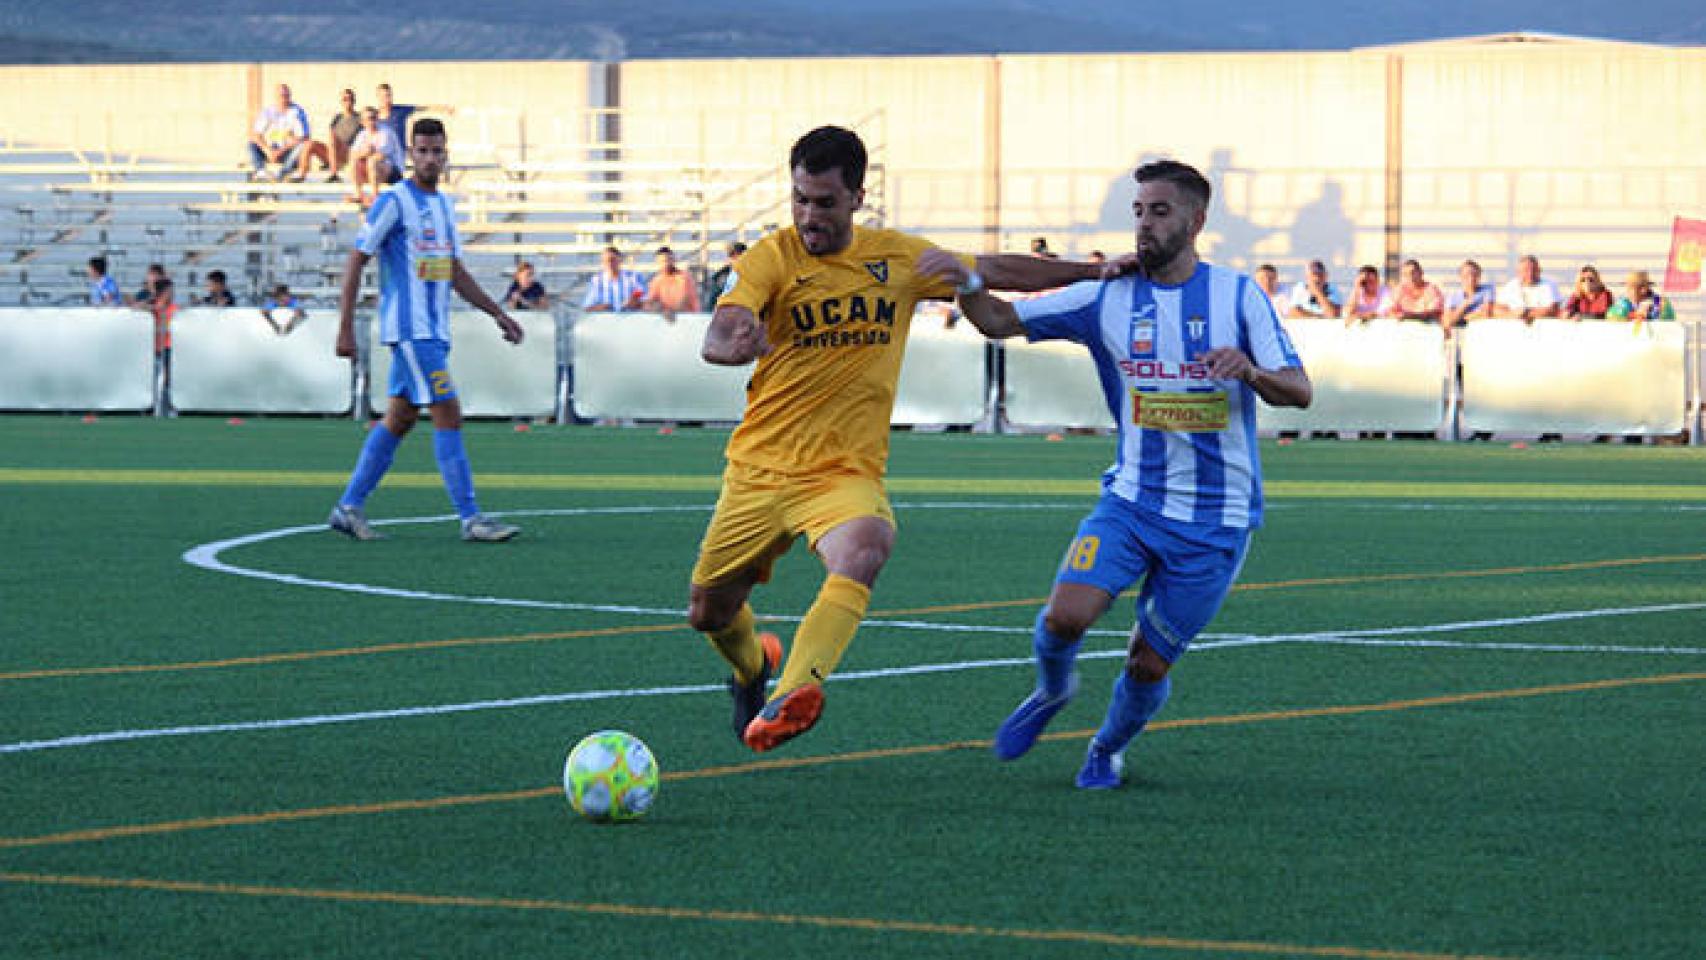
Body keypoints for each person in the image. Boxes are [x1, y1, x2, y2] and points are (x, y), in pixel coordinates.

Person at [690, 125, 1106, 754]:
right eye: (799, 199)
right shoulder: (771, 257)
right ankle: (754, 668)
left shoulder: (897, 259)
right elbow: (724, 325)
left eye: (824, 202)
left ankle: (794, 691)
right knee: (709, 612)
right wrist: (730, 343)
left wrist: (1094, 269)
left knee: (866, 545)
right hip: (758, 471)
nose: (808, 215)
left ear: (858, 197)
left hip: (840, 473)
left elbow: (993, 269)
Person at [944, 159, 1311, 790]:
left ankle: (1107, 746)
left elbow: (1299, 390)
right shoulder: (1106, 294)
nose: (1144, 223)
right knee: (1064, 617)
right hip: (1132, 500)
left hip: (1215, 518)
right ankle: (1051, 691)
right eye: (1138, 211)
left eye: (1160, 211)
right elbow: (999, 321)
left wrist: (1250, 371)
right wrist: (965, 281)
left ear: (1196, 221)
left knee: (1146, 663)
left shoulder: (1238, 295)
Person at [328, 117, 524, 544]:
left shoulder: (444, 206)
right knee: (447, 412)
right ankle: (471, 518)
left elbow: (453, 270)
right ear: (410, 155)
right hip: (410, 330)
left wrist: (498, 313)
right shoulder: (394, 201)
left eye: (437, 151)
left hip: (434, 331)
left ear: (445, 154)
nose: (431, 158)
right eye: (422, 151)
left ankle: (348, 507)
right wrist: (345, 328)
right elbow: (357, 259)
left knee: (399, 419)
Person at [295, 88, 362, 184]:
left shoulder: (359, 118)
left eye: (350, 99)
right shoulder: (337, 117)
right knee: (310, 144)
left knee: (333, 138)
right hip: (333, 151)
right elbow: (330, 133)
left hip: (348, 152)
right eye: (344, 99)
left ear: (354, 101)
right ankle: (301, 175)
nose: (347, 102)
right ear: (341, 102)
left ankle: (334, 173)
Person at [247, 83, 310, 182]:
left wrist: (281, 151)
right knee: (251, 144)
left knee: (302, 146)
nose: (284, 98)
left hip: (288, 152)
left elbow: (304, 137)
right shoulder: (268, 111)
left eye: (286, 95)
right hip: (271, 150)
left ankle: (283, 173)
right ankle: (260, 172)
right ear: (276, 97)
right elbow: (256, 134)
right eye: (281, 96)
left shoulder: (297, 112)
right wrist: (267, 150)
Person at [347, 107, 405, 207]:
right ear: (362, 121)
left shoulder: (386, 132)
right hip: (374, 171)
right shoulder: (362, 134)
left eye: (373, 118)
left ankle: (375, 195)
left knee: (372, 161)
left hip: (393, 172)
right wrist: (364, 152)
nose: (371, 121)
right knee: (354, 161)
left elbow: (381, 155)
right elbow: (352, 154)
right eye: (368, 119)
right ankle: (358, 193)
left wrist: (365, 153)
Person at [1493, 255, 1561, 321]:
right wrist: (1512, 314)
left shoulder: (1548, 285)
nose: (1530, 274)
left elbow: (1553, 310)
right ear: (1518, 272)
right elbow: (1497, 310)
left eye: (1533, 270)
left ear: (1539, 270)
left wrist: (1525, 313)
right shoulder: (1510, 286)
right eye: (1526, 270)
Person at [642, 245, 702, 319]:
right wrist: (662, 310)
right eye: (661, 262)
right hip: (667, 319)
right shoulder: (656, 280)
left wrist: (670, 312)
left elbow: (684, 301)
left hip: (687, 319)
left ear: (673, 260)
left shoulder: (684, 277)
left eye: (668, 260)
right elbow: (650, 303)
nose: (665, 264)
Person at [581, 247, 646, 312]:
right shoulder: (596, 281)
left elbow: (645, 299)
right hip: (606, 320)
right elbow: (587, 308)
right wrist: (602, 307)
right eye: (605, 261)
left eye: (612, 260)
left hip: (632, 319)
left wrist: (634, 302)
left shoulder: (634, 277)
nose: (609, 264)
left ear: (620, 260)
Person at [1441, 259, 1495, 335]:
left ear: (1479, 276)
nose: (1471, 278)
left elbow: (1486, 313)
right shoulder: (1453, 296)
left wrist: (1461, 318)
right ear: (1460, 276)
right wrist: (1465, 305)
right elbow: (1447, 322)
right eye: (1467, 275)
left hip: (1482, 330)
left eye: (1474, 275)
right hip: (1460, 333)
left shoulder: (1487, 289)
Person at [1608, 270, 1675, 321]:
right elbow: (1612, 317)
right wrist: (1633, 315)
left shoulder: (1658, 301)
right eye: (1628, 287)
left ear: (1643, 289)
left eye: (1631, 288)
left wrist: (1647, 316)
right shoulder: (1624, 302)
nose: (1628, 291)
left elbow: (1664, 320)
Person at [703, 241, 746, 310]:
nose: (735, 258)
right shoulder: (721, 276)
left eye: (738, 254)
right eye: (731, 255)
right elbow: (712, 303)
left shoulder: (751, 275)